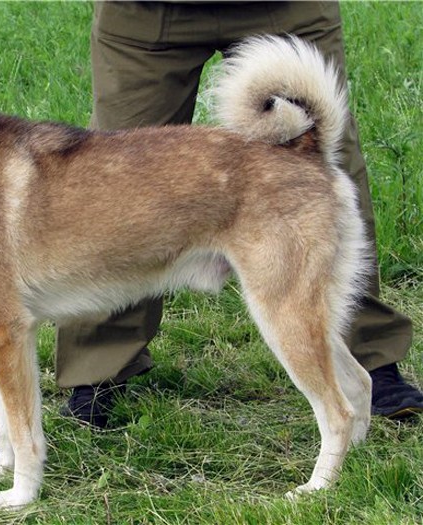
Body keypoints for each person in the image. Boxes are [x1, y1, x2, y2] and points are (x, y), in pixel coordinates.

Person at [57, 1, 423, 428]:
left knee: (315, 172)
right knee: (116, 181)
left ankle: (365, 355)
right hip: (145, 11)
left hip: (283, 5)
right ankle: (99, 367)